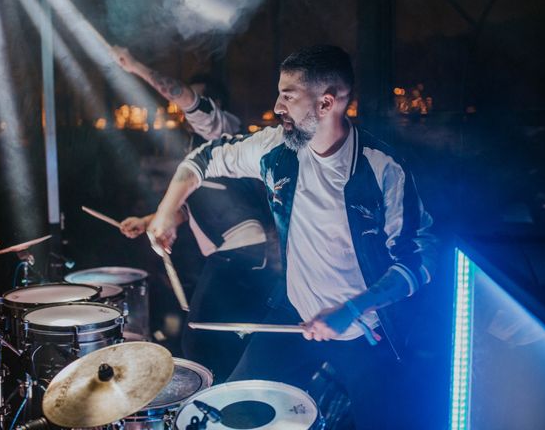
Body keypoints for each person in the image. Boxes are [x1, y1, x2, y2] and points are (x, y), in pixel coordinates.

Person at [147, 45, 436, 428]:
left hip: (369, 329)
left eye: (288, 96)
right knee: (232, 414)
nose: (277, 107)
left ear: (326, 103)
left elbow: (419, 260)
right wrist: (167, 212)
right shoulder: (276, 150)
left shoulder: (382, 169)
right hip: (294, 314)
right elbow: (202, 159)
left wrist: (350, 308)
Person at [111, 47, 278, 382]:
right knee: (212, 342)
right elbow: (193, 207)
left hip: (242, 253)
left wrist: (137, 66)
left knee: (199, 341)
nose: (187, 107)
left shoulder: (224, 129)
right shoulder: (199, 150)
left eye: (197, 101)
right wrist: (150, 220)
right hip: (232, 255)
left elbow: (187, 98)